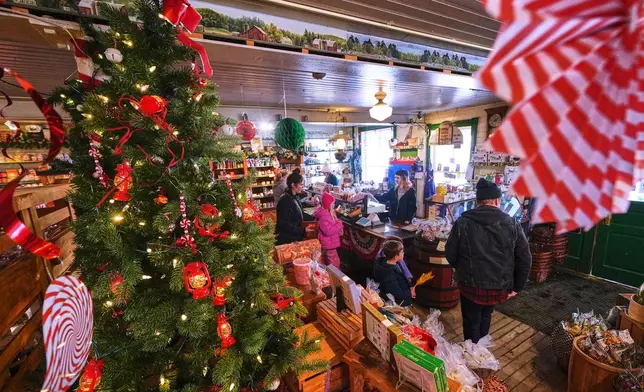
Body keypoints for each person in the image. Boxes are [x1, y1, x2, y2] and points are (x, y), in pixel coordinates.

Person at [445, 178, 532, 343]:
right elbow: (525, 259)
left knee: (471, 319)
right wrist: (517, 287)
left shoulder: (462, 222)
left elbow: (450, 253)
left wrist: (462, 269)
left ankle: (472, 354)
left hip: (469, 285)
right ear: (498, 200)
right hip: (498, 286)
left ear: (477, 202)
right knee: (486, 314)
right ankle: (481, 351)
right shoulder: (512, 223)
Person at [373, 239, 416, 306]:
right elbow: (398, 294)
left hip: (404, 292)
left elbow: (402, 278)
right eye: (402, 252)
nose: (403, 253)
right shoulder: (389, 275)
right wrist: (409, 293)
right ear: (396, 257)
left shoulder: (395, 263)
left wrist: (410, 287)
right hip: (398, 302)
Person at [275, 171, 306, 245]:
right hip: (288, 240)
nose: (302, 187)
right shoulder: (285, 200)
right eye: (301, 184)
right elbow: (284, 225)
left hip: (295, 236)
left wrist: (315, 218)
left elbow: (301, 214)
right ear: (293, 185)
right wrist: (303, 230)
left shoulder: (295, 196)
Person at [314, 192, 343, 268]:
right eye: (332, 204)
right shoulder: (324, 216)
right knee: (335, 265)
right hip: (329, 245)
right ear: (328, 205)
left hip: (330, 244)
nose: (334, 206)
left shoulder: (328, 213)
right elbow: (328, 231)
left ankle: (330, 277)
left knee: (330, 263)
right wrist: (339, 224)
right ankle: (335, 278)